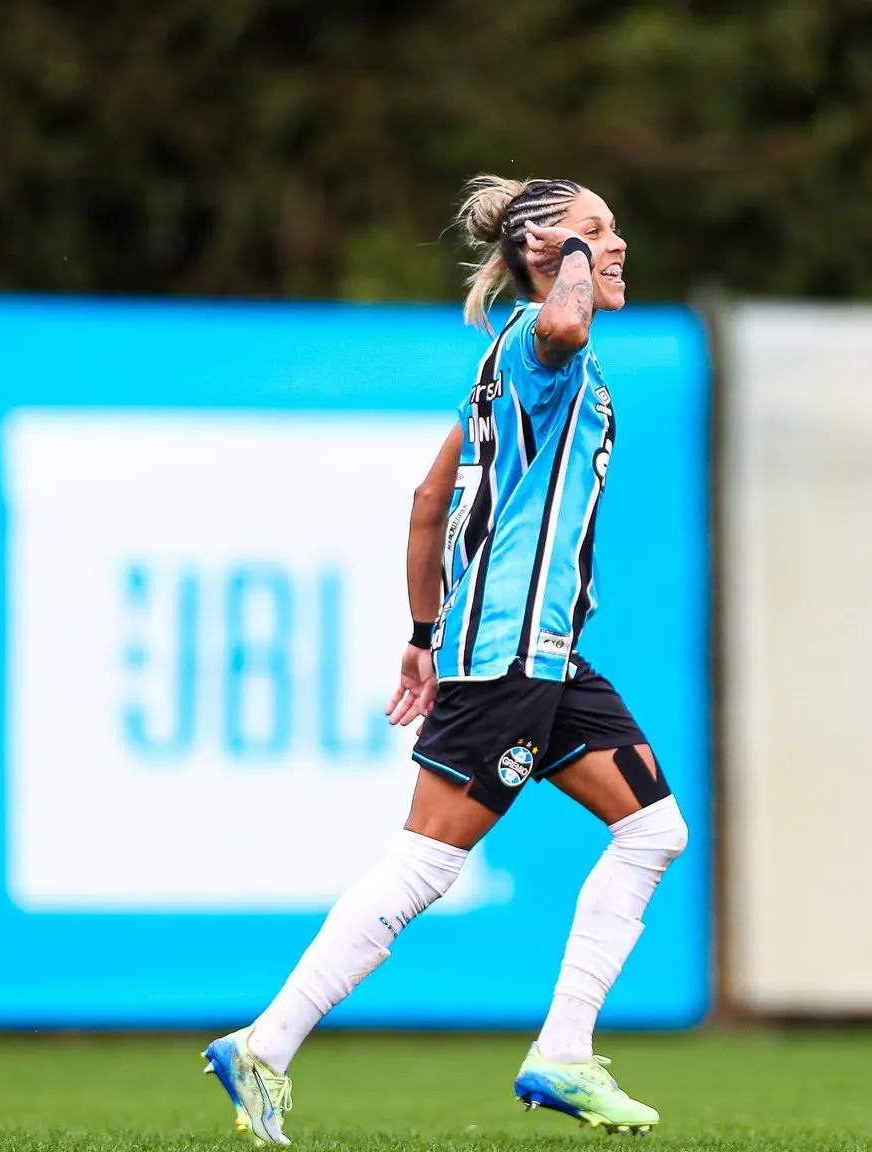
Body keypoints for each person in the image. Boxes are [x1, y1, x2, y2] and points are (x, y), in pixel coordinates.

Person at [200, 175, 687, 1145]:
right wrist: (569, 262)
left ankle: (561, 1052)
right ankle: (264, 1043)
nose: (616, 245)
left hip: (537, 654)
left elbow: (430, 501)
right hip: (507, 654)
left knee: (652, 831)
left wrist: (423, 638)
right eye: (596, 231)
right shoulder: (545, 350)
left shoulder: (501, 367)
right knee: (425, 863)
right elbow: (566, 328)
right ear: (548, 250)